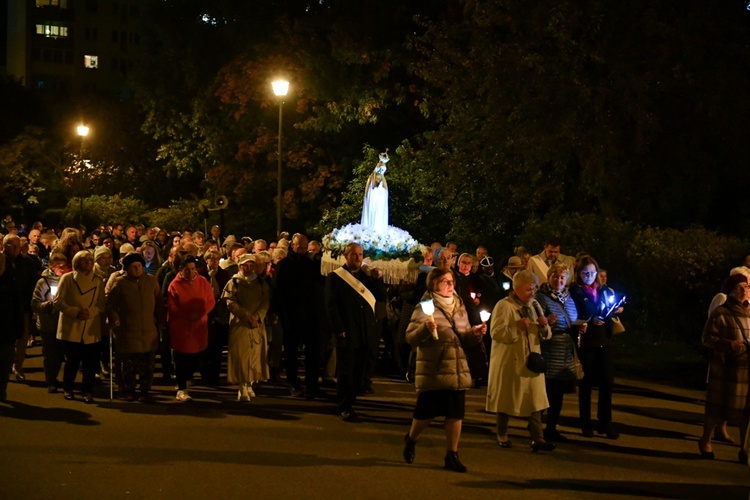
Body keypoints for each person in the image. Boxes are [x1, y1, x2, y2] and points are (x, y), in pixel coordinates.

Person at [402, 268, 486, 473]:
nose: (450, 285)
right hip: (435, 367)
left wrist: (475, 333)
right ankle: (411, 439)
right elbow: (410, 337)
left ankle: (452, 454)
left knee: (455, 413)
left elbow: (464, 335)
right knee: (425, 413)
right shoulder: (426, 305)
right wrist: (425, 330)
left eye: (451, 281)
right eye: (444, 282)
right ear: (433, 285)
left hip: (457, 366)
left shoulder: (459, 304)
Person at [486, 270, 555, 452]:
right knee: (507, 397)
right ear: (516, 289)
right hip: (510, 360)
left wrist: (544, 325)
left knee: (535, 399)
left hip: (532, 359)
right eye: (527, 290)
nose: (532, 293)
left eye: (533, 289)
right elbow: (496, 333)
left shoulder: (534, 305)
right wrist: (516, 327)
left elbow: (546, 335)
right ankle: (502, 434)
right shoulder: (504, 306)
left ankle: (538, 438)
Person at [324, 242, 386, 421]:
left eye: (360, 254)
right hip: (347, 330)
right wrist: (338, 328)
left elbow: (381, 297)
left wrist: (377, 279)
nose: (357, 257)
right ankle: (344, 405)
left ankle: (351, 400)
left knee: (359, 370)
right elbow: (330, 305)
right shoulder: (335, 278)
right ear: (346, 256)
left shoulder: (366, 277)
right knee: (346, 371)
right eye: (353, 254)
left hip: (365, 331)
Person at [569, 256, 623, 439]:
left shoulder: (604, 290)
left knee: (607, 381)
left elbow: (610, 306)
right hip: (587, 341)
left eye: (592, 273)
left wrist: (616, 309)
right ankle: (586, 424)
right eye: (585, 273)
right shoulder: (574, 292)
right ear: (579, 274)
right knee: (586, 382)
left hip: (605, 340)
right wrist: (589, 320)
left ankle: (605, 422)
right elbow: (573, 315)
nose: (589, 276)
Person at [699, 273, 750, 463]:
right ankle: (706, 441)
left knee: (746, 412)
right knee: (716, 408)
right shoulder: (721, 312)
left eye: (747, 286)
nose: (744, 290)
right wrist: (729, 344)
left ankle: (745, 450)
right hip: (725, 369)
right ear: (731, 290)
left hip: (746, 369)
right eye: (740, 287)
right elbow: (707, 338)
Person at [535, 263, 586, 442]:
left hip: (565, 352)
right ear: (549, 278)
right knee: (546, 393)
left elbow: (571, 320)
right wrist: (547, 322)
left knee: (557, 394)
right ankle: (537, 429)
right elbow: (537, 320)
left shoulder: (569, 298)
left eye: (562, 277)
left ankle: (551, 428)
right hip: (549, 350)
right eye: (555, 277)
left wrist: (579, 327)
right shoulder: (541, 298)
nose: (559, 280)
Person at [106, 252, 165, 403]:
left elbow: (159, 302)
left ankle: (145, 391)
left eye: (139, 266)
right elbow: (110, 304)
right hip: (128, 330)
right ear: (127, 269)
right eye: (134, 267)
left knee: (147, 364)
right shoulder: (120, 283)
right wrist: (115, 318)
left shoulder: (151, 281)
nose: (137, 269)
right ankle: (129, 389)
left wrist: (160, 321)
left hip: (148, 330)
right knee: (129, 364)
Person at [274, 233, 326, 398]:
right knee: (291, 351)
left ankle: (311, 384)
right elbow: (278, 291)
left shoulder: (312, 264)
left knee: (313, 351)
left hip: (311, 315)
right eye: (300, 247)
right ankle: (293, 382)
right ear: (293, 246)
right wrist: (281, 313)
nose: (303, 250)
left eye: (305, 247)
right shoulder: (284, 265)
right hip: (292, 315)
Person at [54, 250, 106, 403]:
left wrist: (90, 312)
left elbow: (101, 303)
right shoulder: (67, 279)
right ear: (77, 263)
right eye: (84, 260)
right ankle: (68, 387)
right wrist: (75, 312)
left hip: (90, 325)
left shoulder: (98, 281)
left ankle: (87, 390)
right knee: (72, 361)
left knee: (90, 363)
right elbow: (59, 301)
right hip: (72, 325)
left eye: (90, 260)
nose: (88, 263)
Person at [167, 254, 215, 402]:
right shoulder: (174, 285)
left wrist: (201, 313)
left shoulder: (202, 281)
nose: (191, 272)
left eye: (193, 269)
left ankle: (187, 379)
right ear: (181, 270)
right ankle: (182, 388)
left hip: (199, 327)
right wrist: (188, 315)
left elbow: (210, 300)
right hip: (182, 327)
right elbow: (172, 307)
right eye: (187, 269)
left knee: (196, 357)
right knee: (182, 358)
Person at [224, 253, 272, 401]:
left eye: (252, 265)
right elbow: (230, 302)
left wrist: (257, 316)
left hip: (256, 324)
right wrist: (247, 316)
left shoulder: (261, 283)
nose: (249, 268)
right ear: (240, 266)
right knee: (241, 356)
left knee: (255, 355)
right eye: (246, 265)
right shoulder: (234, 282)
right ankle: (242, 386)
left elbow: (266, 301)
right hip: (240, 324)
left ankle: (251, 383)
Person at [31, 253, 67, 393]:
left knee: (59, 353)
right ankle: (50, 380)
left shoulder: (67, 280)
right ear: (52, 266)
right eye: (59, 266)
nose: (62, 269)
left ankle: (56, 377)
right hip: (48, 324)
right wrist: (48, 305)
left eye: (64, 266)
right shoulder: (43, 282)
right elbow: (35, 304)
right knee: (50, 353)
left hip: (62, 323)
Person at [198, 248, 230, 385]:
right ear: (206, 260)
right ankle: (204, 374)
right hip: (205, 314)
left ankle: (215, 375)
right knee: (204, 347)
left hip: (219, 314)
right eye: (212, 259)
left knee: (217, 347)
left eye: (217, 259)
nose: (215, 262)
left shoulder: (224, 274)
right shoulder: (201, 274)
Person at [361, 151, 389, 233]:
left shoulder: (382, 188)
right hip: (373, 195)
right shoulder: (372, 182)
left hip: (379, 196)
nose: (378, 179)